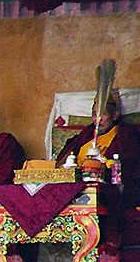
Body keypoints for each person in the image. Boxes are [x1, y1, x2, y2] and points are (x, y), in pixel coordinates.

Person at [55, 84, 140, 222]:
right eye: (94, 114)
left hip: (106, 186)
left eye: (103, 115)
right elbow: (66, 156)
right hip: (76, 184)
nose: (97, 120)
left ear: (115, 115)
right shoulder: (88, 133)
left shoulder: (125, 134)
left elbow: (131, 166)